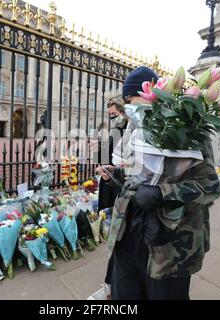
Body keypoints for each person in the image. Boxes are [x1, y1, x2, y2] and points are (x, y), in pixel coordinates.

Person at [106, 66, 220, 300]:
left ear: (154, 95)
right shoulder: (130, 131)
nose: (128, 106)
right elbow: (134, 175)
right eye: (126, 100)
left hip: (169, 247)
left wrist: (162, 193)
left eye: (132, 98)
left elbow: (210, 187)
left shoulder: (189, 130)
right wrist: (116, 174)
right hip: (128, 234)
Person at [87, 98, 128, 300]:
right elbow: (108, 158)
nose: (113, 118)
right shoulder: (118, 131)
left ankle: (110, 286)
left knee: (118, 241)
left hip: (122, 193)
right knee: (117, 240)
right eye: (110, 115)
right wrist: (97, 151)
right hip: (114, 187)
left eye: (114, 114)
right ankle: (111, 284)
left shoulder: (129, 130)